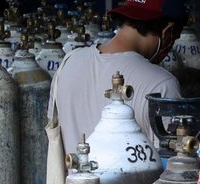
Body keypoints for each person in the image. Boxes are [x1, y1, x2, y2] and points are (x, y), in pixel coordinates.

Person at [49, 0, 186, 151]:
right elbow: (175, 162)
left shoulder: (69, 62)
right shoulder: (162, 84)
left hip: (75, 173)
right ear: (168, 32)